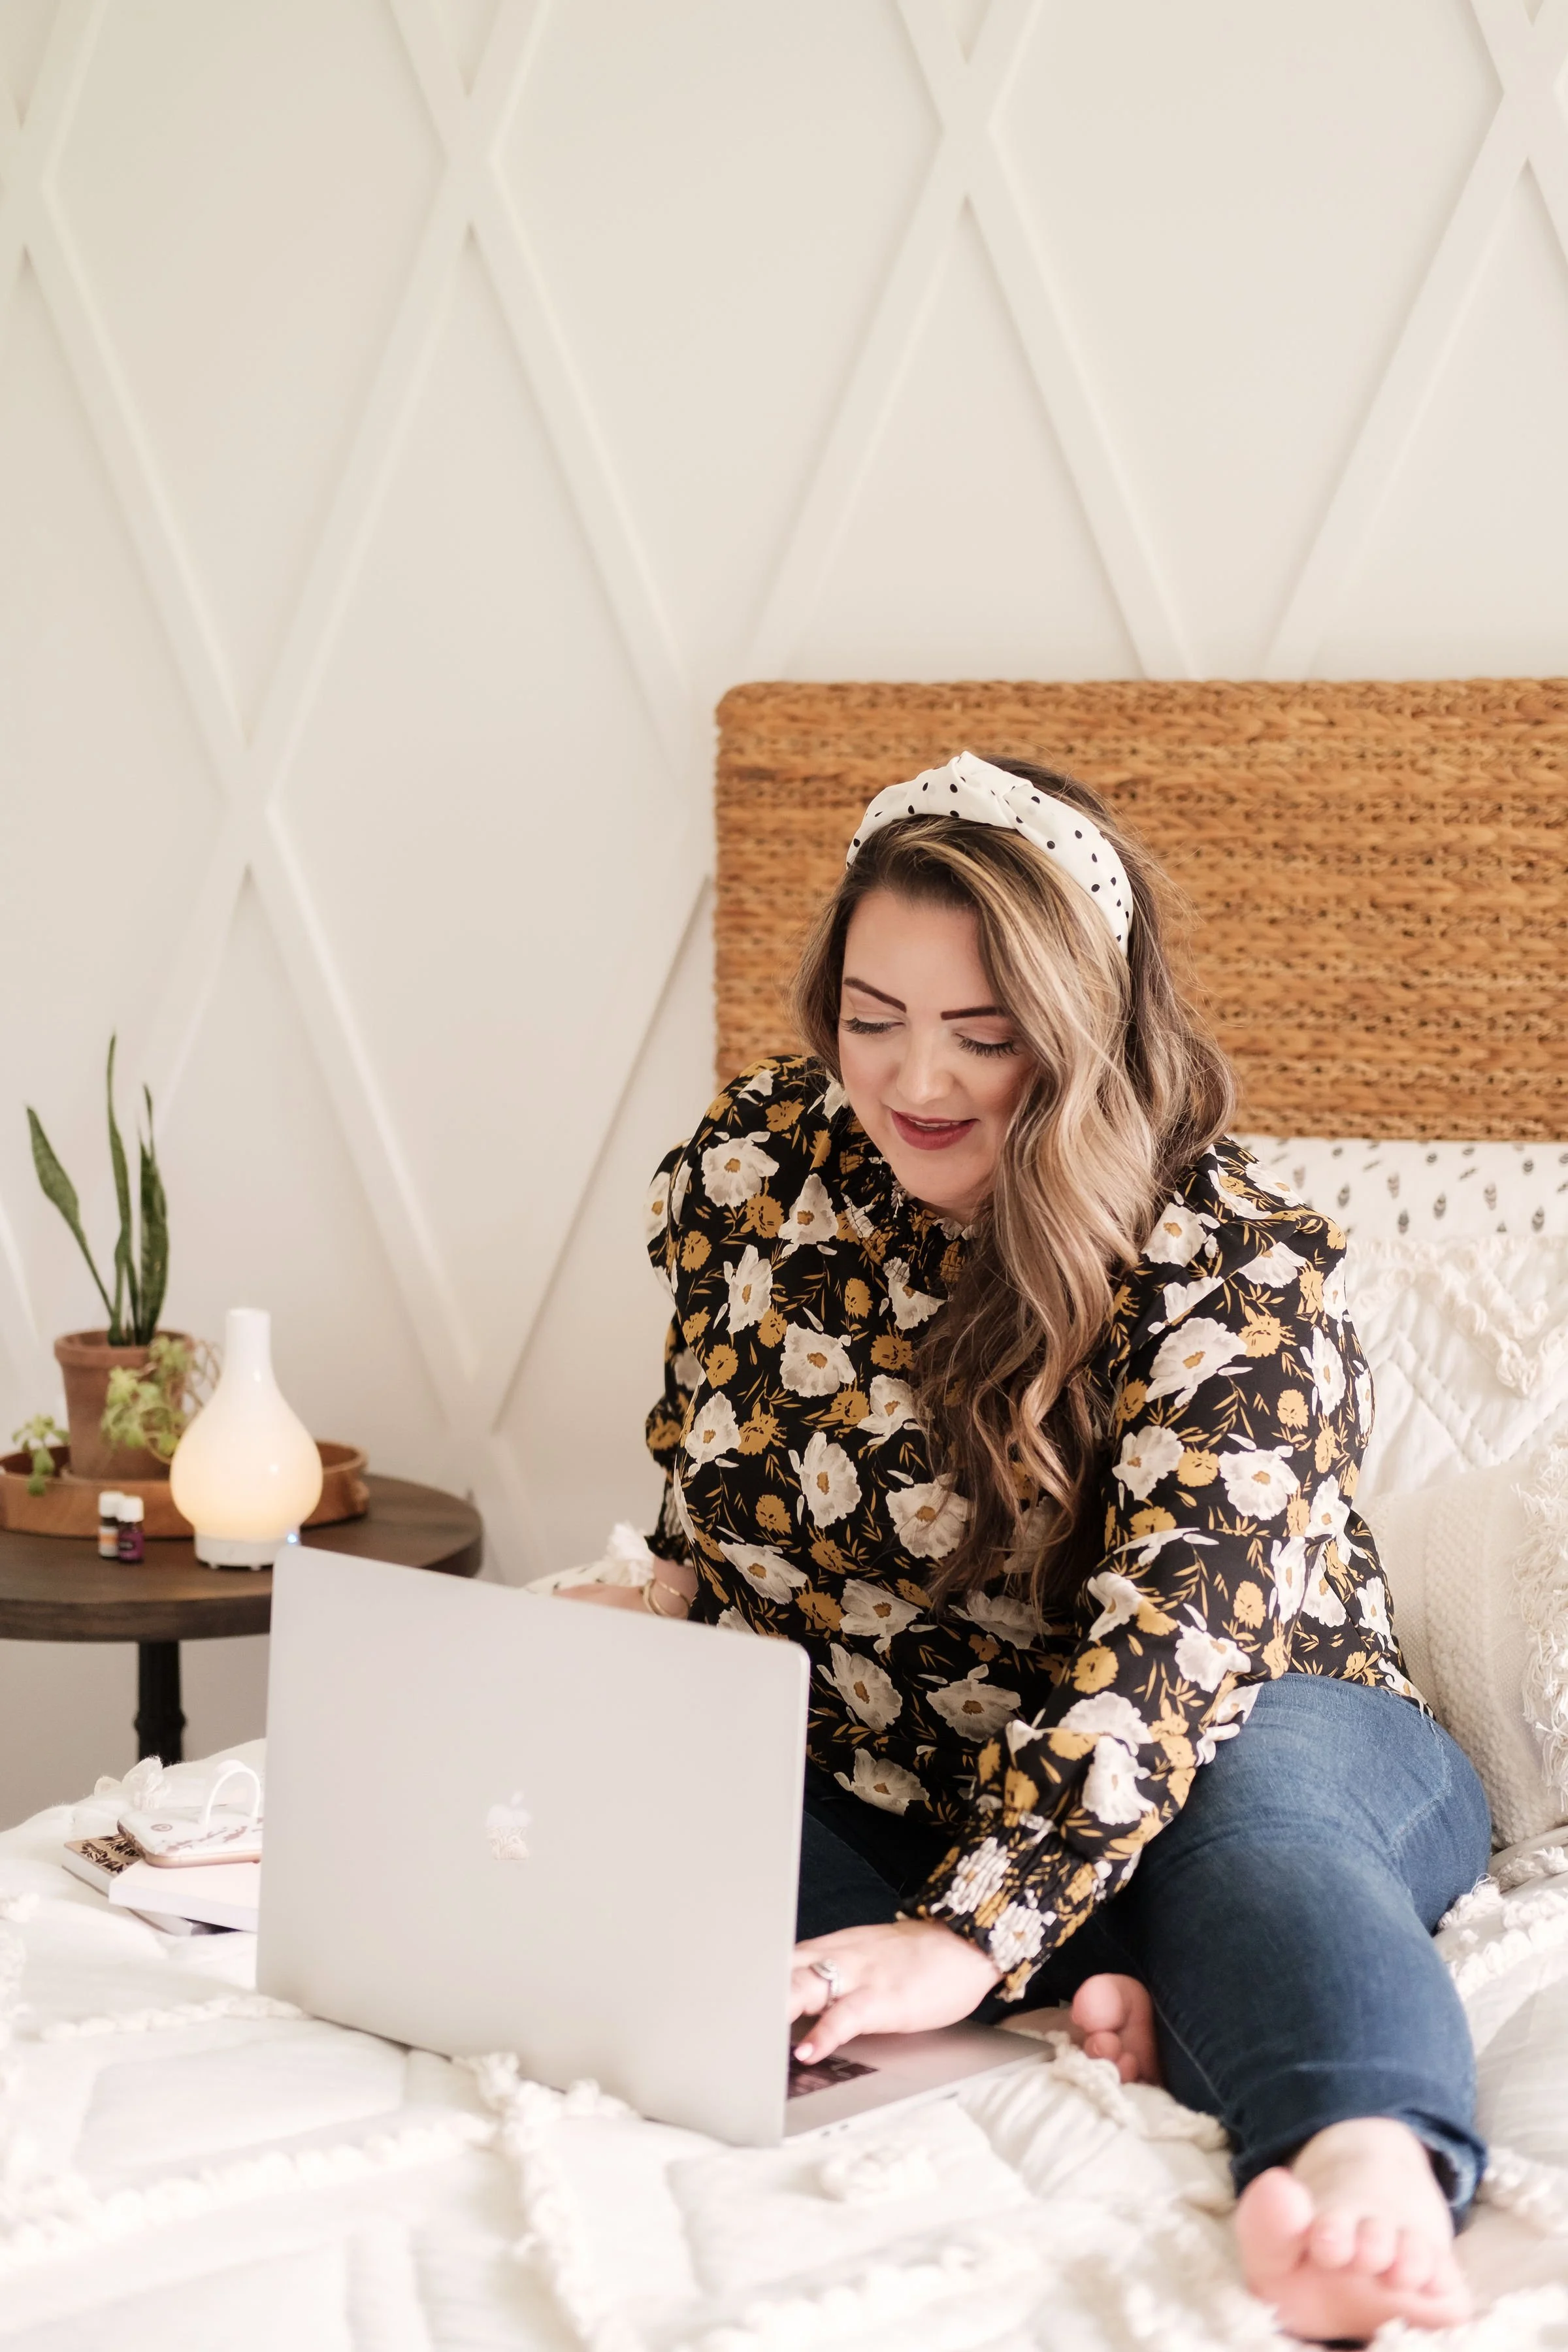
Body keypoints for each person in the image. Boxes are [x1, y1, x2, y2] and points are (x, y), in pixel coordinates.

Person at [562, 751, 1490, 2345]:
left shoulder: (1234, 1265)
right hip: (903, 1770)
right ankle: (1100, 1971)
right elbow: (719, 1482)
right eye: (872, 1017)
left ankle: (1362, 2175)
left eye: (983, 1036)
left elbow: (1168, 1663)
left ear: (1079, 1027)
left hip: (1249, 1724)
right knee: (621, 1849)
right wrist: (650, 1615)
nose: (916, 1079)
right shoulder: (755, 1170)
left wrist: (960, 1933)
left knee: (1254, 1844)